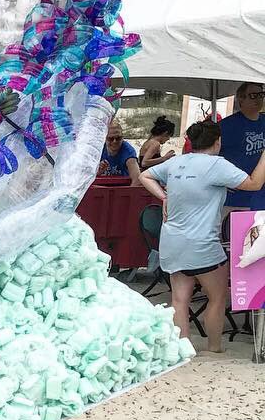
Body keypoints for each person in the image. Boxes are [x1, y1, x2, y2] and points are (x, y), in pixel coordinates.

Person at [139, 119, 265, 352]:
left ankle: (185, 350)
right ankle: (214, 348)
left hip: (172, 244)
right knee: (217, 299)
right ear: (218, 142)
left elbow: (144, 176)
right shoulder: (217, 165)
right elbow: (255, 184)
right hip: (203, 246)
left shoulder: (176, 163)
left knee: (179, 300)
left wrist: (163, 197)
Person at [221, 82, 265, 212]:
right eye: (253, 95)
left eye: (261, 95)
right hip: (235, 199)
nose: (258, 99)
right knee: (235, 232)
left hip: (261, 198)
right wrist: (221, 180)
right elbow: (207, 157)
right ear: (241, 98)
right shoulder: (225, 126)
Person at [96, 118, 141, 183]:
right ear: (104, 138)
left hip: (121, 186)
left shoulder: (128, 151)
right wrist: (98, 171)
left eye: (118, 138)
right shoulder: (98, 148)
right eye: (110, 139)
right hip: (101, 185)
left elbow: (137, 180)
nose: (114, 141)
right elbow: (85, 176)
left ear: (122, 137)